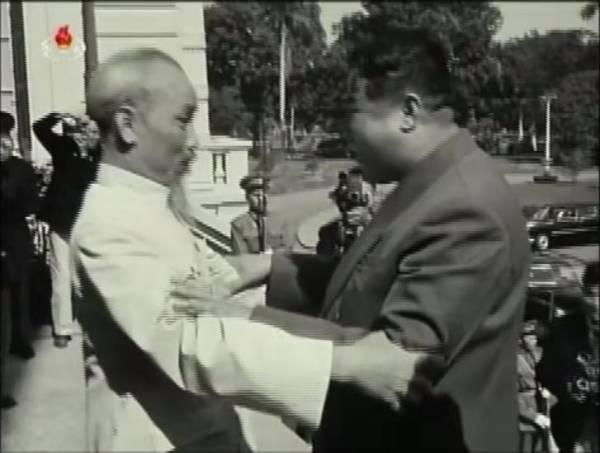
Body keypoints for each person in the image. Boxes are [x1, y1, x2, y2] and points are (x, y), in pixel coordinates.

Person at [179, 27, 532, 452]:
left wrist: (239, 319)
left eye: (352, 113)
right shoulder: (434, 183)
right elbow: (374, 280)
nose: (342, 133)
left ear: (408, 112)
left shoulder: (466, 210)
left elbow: (389, 360)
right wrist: (268, 266)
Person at [74, 47, 442, 452]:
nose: (194, 141)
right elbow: (187, 341)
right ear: (127, 125)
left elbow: (217, 293)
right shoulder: (107, 225)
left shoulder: (149, 206)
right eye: (182, 121)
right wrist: (346, 364)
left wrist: (267, 272)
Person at [33, 112, 101, 347]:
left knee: (89, 277)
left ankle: (94, 327)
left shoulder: (101, 157)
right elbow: (40, 128)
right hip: (62, 222)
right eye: (85, 131)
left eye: (94, 132)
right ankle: (62, 328)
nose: (89, 136)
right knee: (61, 276)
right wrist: (59, 116)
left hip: (88, 225)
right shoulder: (62, 148)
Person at [537, 263, 599, 453]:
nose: (597, 303)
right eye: (591, 294)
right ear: (583, 292)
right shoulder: (561, 330)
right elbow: (546, 375)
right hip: (572, 430)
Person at [1, 112, 38, 361]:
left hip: (15, 233)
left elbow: (30, 203)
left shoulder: (21, 168)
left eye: (6, 138)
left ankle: (21, 340)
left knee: (21, 288)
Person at [230, 173, 294, 255]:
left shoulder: (281, 220)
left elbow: (289, 248)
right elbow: (241, 256)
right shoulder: (239, 225)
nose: (261, 199)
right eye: (256, 195)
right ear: (247, 197)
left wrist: (273, 253)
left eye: (265, 195)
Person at [517, 320, 552, 453]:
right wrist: (533, 416)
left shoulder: (540, 354)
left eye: (536, 337)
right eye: (530, 337)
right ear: (521, 338)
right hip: (524, 420)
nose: (534, 340)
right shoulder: (514, 360)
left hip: (543, 413)